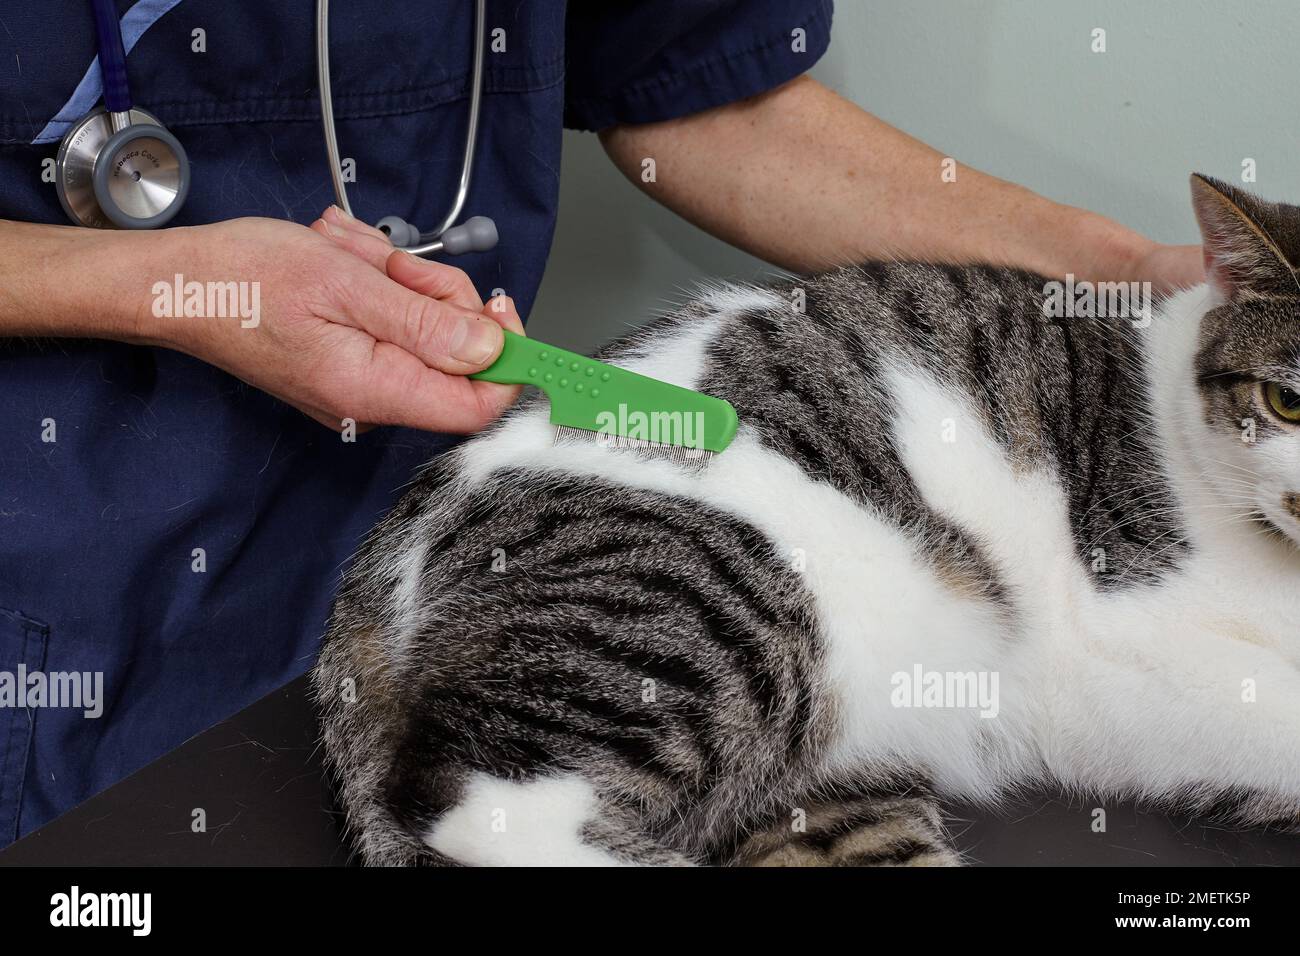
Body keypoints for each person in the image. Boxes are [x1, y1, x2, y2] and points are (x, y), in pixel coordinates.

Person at [0, 1, 1199, 849]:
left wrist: (1129, 269)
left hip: (439, 560)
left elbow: (704, 103)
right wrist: (164, 286)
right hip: (49, 559)